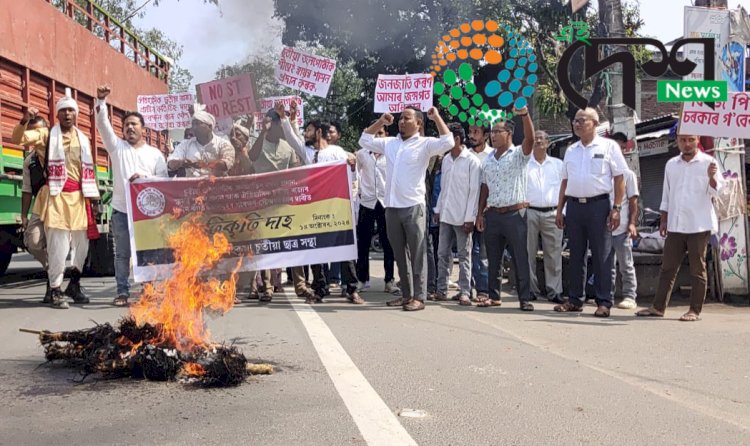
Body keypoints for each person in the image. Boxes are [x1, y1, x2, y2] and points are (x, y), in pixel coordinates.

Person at [359, 107, 453, 311]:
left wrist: (436, 117)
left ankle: (419, 297)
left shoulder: (425, 144)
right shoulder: (390, 143)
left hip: (413, 206)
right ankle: (406, 294)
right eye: (400, 118)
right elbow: (364, 140)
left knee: (418, 254)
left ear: (418, 123)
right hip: (391, 207)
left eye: (406, 118)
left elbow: (448, 142)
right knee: (399, 254)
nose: (401, 121)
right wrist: (381, 122)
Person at [18, 93, 100, 309]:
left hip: (80, 200)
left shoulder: (83, 139)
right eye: (63, 110)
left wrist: (94, 197)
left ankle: (74, 284)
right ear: (56, 115)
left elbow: (88, 172)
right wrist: (24, 120)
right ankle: (55, 290)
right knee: (58, 247)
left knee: (81, 246)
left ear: (77, 114)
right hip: (56, 198)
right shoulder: (46, 135)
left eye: (71, 110)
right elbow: (17, 139)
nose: (67, 114)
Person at [279, 103, 364, 304]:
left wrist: (352, 163)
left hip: (338, 209)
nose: (305, 134)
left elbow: (351, 177)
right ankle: (320, 289)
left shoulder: (338, 152)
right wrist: (284, 118)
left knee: (345, 250)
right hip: (315, 209)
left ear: (318, 132)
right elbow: (292, 138)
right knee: (316, 251)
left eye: (308, 130)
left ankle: (351, 289)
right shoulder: (308, 153)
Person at [95, 86, 169, 306]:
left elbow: (163, 181)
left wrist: (144, 178)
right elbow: (103, 125)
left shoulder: (155, 154)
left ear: (143, 129)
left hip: (147, 214)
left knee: (147, 254)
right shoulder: (117, 148)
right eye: (126, 125)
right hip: (121, 210)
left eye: (133, 124)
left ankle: (148, 291)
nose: (129, 128)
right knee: (122, 255)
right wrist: (101, 100)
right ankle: (122, 292)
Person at [637, 134, 723, 322]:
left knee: (697, 268)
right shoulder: (671, 164)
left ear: (697, 139)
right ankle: (658, 307)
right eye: (682, 140)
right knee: (667, 267)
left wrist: (711, 178)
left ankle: (695, 310)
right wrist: (663, 219)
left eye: (690, 139)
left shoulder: (709, 162)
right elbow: (667, 194)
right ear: (677, 141)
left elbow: (717, 191)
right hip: (676, 224)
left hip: (699, 224)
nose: (686, 144)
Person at [554, 108, 628, 318]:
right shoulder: (571, 150)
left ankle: (604, 301)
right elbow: (565, 181)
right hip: (575, 206)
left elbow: (619, 178)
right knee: (575, 254)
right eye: (575, 120)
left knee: (601, 254)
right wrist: (560, 209)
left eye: (581, 120)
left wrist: (616, 207)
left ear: (594, 123)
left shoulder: (608, 146)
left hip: (599, 206)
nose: (576, 124)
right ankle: (575, 299)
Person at [474, 107, 536, 311]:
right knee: (493, 258)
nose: (493, 135)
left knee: (520, 258)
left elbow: (530, 139)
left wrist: (525, 115)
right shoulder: (488, 160)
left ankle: (525, 298)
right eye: (492, 132)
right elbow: (484, 187)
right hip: (493, 214)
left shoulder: (519, 154)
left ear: (509, 134)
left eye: (497, 132)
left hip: (515, 213)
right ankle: (494, 296)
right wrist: (480, 213)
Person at [245, 107, 302, 303]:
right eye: (268, 123)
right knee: (264, 245)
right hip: (262, 203)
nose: (273, 127)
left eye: (274, 123)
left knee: (293, 243)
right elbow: (252, 157)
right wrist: (262, 131)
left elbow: (295, 170)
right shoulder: (259, 143)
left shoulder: (288, 147)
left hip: (284, 202)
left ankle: (300, 285)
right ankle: (267, 287)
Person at [434, 123, 481, 305]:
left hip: (463, 217)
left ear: (457, 139)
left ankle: (465, 292)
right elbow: (444, 187)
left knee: (464, 256)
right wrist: (438, 209)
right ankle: (441, 289)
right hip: (446, 215)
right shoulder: (446, 160)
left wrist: (470, 218)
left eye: (447, 138)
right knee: (442, 254)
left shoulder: (472, 161)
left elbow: (474, 192)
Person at [12, 109, 50, 302]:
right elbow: (27, 189)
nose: (34, 138)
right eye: (31, 133)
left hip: (61, 205)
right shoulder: (30, 161)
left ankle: (54, 287)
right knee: (32, 242)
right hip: (40, 205)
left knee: (55, 243)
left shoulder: (58, 151)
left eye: (38, 133)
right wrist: (24, 216)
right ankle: (52, 267)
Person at [355, 124, 398, 293]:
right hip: (367, 201)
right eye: (373, 134)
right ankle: (363, 279)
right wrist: (358, 191)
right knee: (363, 242)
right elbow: (355, 174)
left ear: (386, 134)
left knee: (388, 242)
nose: (376, 137)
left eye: (379, 133)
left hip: (386, 202)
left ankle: (389, 280)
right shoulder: (361, 154)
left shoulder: (391, 153)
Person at [525, 130, 565, 304]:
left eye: (542, 139)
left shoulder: (558, 165)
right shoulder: (524, 164)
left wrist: (562, 212)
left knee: (554, 254)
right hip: (529, 212)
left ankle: (554, 291)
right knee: (528, 253)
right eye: (536, 139)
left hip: (552, 212)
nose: (539, 141)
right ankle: (530, 289)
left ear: (548, 143)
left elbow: (565, 189)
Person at [609, 132, 639, 310]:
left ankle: (630, 295)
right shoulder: (603, 173)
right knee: (607, 267)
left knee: (626, 264)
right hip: (604, 228)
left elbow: (634, 202)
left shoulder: (628, 175)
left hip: (622, 229)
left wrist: (632, 223)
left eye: (620, 147)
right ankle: (607, 295)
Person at [167, 105, 234, 178]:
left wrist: (204, 164)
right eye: (193, 124)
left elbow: (227, 163)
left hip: (216, 185)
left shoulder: (223, 144)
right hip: (191, 187)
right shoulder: (185, 144)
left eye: (198, 124)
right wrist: (182, 163)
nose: (194, 127)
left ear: (210, 127)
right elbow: (170, 164)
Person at [465, 124, 491, 300]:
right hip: (466, 211)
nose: (471, 136)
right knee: (467, 251)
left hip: (487, 211)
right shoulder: (464, 155)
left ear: (486, 135)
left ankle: (484, 288)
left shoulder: (492, 157)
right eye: (470, 132)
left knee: (482, 252)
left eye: (476, 132)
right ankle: (467, 289)